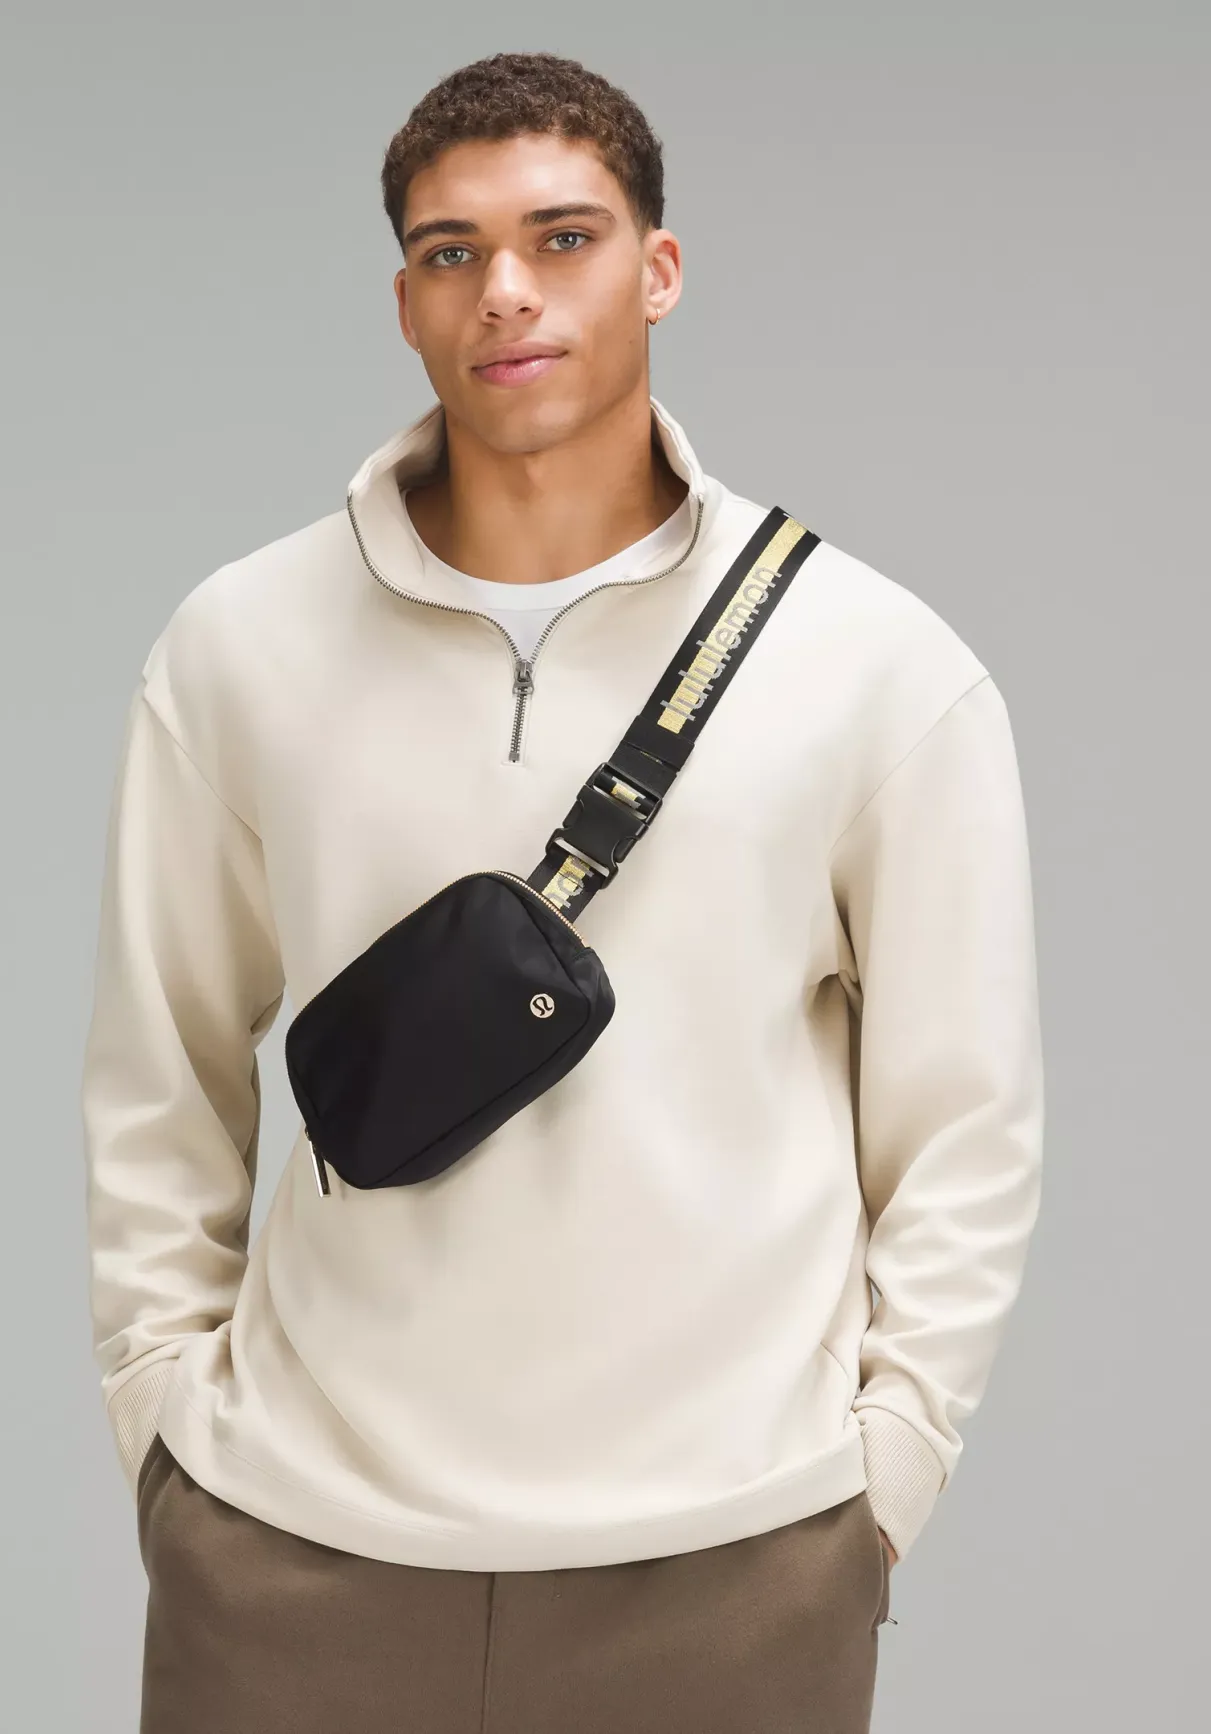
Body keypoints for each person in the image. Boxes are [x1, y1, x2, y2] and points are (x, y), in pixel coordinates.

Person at [81, 49, 1045, 1734]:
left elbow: (966, 1123)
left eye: (563, 237)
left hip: (733, 1566)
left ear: (657, 269)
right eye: (450, 251)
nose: (505, 290)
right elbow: (157, 1072)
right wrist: (167, 1427)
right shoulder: (240, 645)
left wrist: (880, 1481)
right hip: (291, 1547)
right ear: (404, 302)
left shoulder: (877, 666)